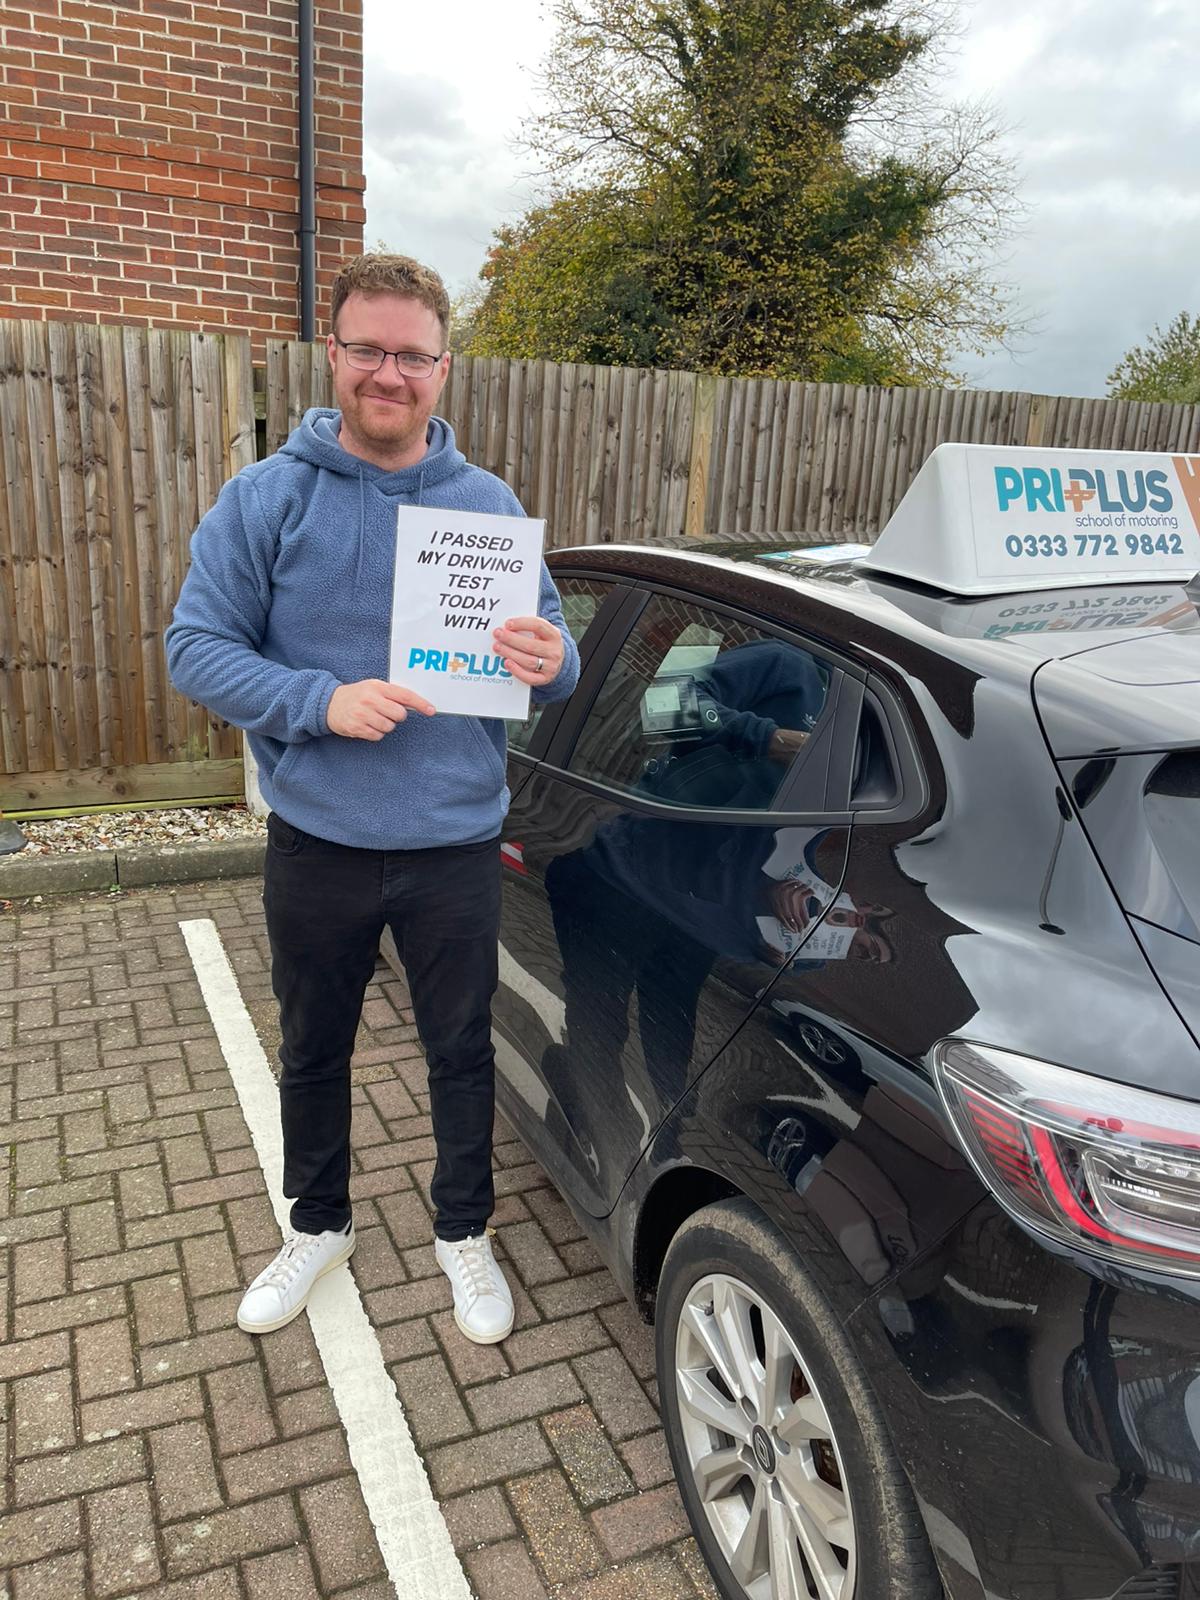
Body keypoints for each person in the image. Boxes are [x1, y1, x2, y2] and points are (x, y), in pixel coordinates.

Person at [166, 252, 580, 1345]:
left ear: (443, 369)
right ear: (334, 354)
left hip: (454, 843)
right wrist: (319, 700)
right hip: (320, 839)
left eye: (412, 356)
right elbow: (195, 647)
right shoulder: (266, 499)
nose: (388, 373)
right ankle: (318, 1224)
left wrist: (555, 657)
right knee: (313, 1046)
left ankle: (464, 1231)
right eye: (368, 350)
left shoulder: (486, 506)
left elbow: (551, 651)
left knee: (461, 1049)